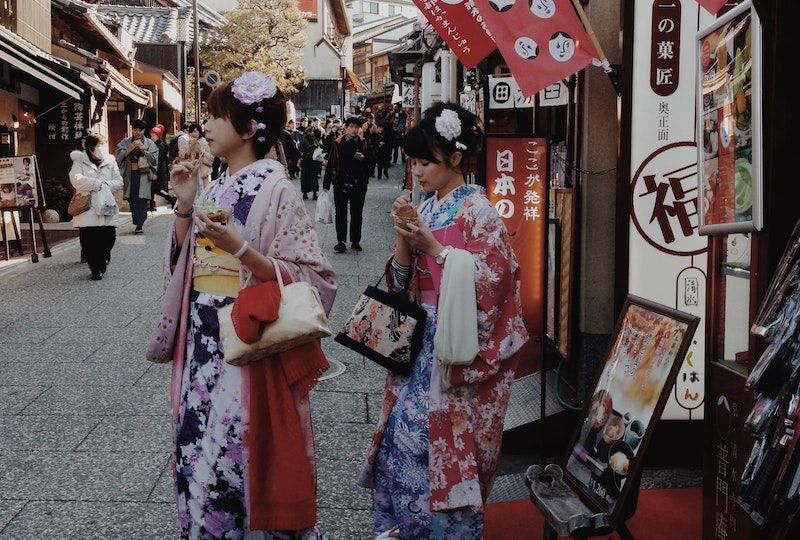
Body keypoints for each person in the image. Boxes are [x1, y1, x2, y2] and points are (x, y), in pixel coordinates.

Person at [159, 71, 337, 539]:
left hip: (245, 342)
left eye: (218, 117)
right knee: (198, 451)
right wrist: (184, 204)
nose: (206, 127)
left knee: (240, 451)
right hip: (202, 340)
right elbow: (184, 265)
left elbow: (313, 280)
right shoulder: (215, 186)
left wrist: (241, 250)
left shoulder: (277, 189)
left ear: (249, 129)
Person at [357, 102, 529, 538]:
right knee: (404, 435)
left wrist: (436, 251)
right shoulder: (429, 208)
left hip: (456, 346)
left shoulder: (478, 212)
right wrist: (403, 239)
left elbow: (496, 282)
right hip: (419, 345)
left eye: (425, 162)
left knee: (445, 447)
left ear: (455, 158)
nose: (416, 172)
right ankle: (406, 526)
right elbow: (399, 287)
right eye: (412, 162)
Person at [69, 134, 122, 280]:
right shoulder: (79, 161)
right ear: (92, 148)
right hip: (88, 207)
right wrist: (96, 184)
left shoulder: (110, 161)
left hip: (106, 204)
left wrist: (105, 185)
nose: (103, 149)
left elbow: (118, 181)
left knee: (109, 238)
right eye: (101, 145)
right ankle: (94, 268)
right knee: (88, 241)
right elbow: (76, 179)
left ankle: (103, 259)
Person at [322, 117, 369, 253]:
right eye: (352, 127)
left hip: (358, 183)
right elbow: (331, 163)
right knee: (340, 212)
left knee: (357, 212)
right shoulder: (338, 143)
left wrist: (364, 159)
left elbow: (372, 162)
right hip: (340, 182)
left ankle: (355, 241)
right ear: (346, 127)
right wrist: (326, 185)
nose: (354, 130)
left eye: (356, 127)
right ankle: (341, 241)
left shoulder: (363, 143)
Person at [115, 118, 158, 234]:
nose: (137, 132)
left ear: (144, 131)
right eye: (135, 130)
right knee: (132, 198)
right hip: (130, 174)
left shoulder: (149, 143)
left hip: (143, 174)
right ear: (132, 130)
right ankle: (137, 222)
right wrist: (128, 150)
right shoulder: (125, 142)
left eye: (140, 130)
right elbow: (118, 158)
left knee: (142, 198)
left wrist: (144, 151)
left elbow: (154, 160)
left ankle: (140, 223)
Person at [149, 124, 169, 210]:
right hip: (159, 169)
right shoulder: (159, 143)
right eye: (151, 135)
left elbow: (158, 159)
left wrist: (155, 171)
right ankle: (152, 205)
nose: (152, 137)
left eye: (153, 135)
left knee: (155, 188)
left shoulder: (159, 145)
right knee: (154, 189)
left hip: (159, 169)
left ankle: (171, 199)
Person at [299, 126, 322, 200]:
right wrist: (313, 146)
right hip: (306, 161)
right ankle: (305, 194)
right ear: (308, 132)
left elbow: (317, 144)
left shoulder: (314, 138)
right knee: (305, 177)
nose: (312, 133)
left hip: (314, 161)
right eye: (311, 131)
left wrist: (317, 145)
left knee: (314, 177)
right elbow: (306, 148)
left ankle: (315, 194)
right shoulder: (304, 139)